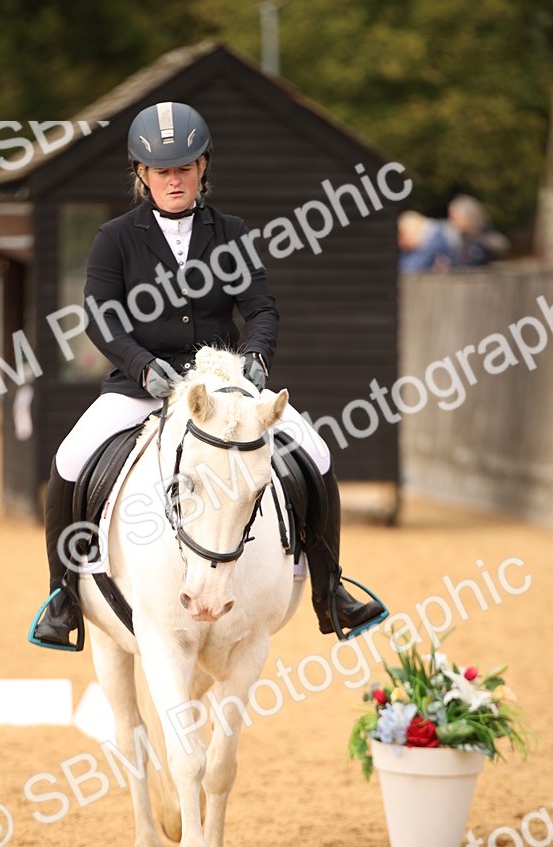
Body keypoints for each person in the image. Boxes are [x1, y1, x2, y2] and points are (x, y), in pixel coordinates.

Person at [33, 100, 384, 648]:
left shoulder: (231, 232)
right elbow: (102, 317)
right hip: (142, 387)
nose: (174, 180)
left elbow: (261, 308)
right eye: (162, 171)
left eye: (184, 168)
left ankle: (329, 590)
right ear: (141, 174)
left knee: (315, 453)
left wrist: (257, 358)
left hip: (223, 389)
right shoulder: (115, 238)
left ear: (202, 168)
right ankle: (62, 597)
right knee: (68, 461)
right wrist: (140, 364)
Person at [446, 195, 509, 267]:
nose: (451, 221)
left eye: (455, 217)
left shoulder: (484, 243)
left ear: (468, 217)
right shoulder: (463, 240)